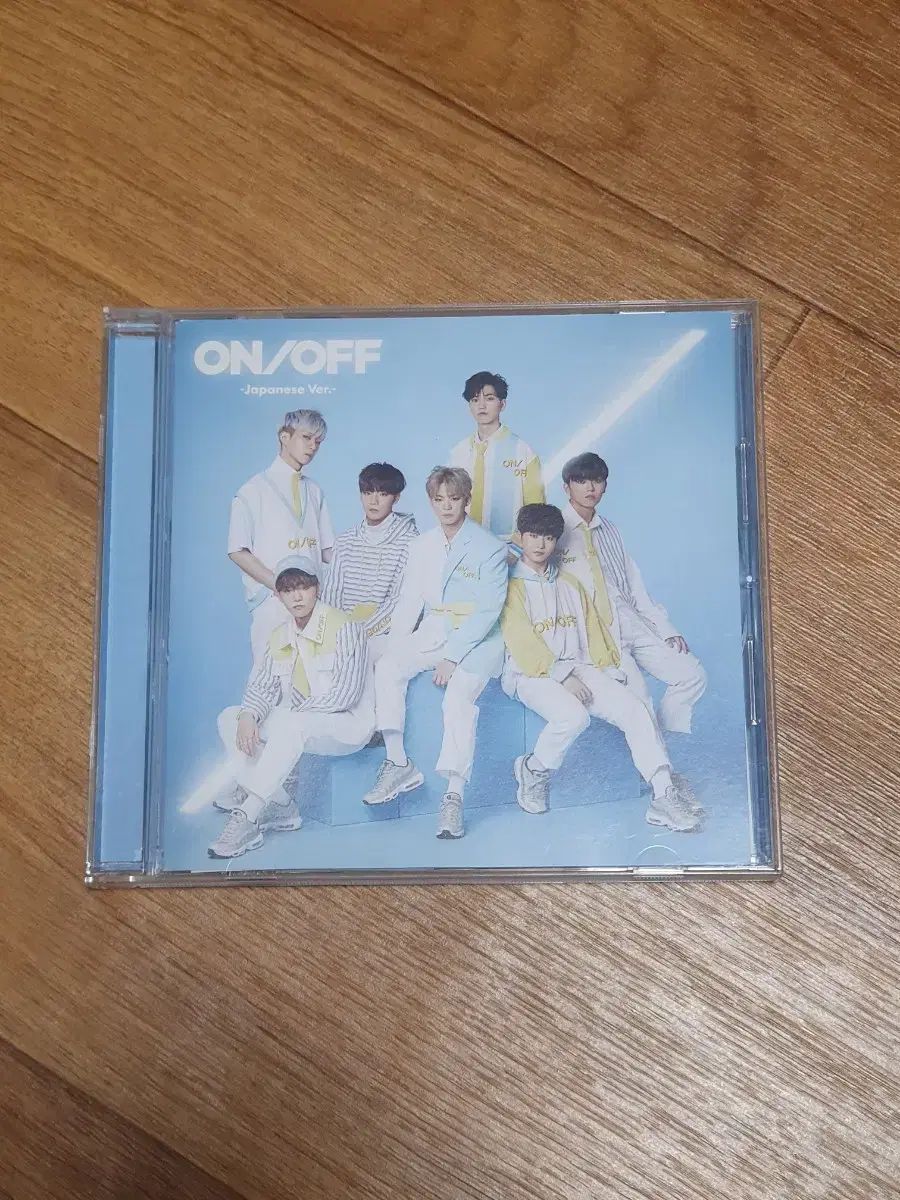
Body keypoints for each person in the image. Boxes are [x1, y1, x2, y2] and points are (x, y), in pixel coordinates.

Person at [500, 504, 698, 831]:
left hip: (578, 667)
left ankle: (663, 795)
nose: (540, 544)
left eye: (548, 537)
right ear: (520, 537)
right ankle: (534, 769)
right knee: (573, 716)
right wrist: (562, 676)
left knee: (635, 709)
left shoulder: (569, 584)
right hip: (530, 674)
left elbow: (593, 631)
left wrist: (608, 669)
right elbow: (522, 643)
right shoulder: (510, 587)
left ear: (556, 541)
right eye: (533, 535)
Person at [362, 466, 509, 839]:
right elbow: (410, 600)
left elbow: (488, 610)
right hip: (434, 630)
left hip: (478, 640)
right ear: (430, 502)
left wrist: (453, 656)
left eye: (454, 498)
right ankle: (398, 762)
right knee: (389, 665)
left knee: (457, 698)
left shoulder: (490, 547)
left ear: (467, 500)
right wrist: (397, 644)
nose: (446, 506)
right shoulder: (421, 545)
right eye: (439, 499)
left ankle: (453, 796)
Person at [209, 557, 373, 859]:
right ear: (278, 595)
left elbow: (345, 695)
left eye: (303, 587)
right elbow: (263, 686)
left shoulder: (346, 627)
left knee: (290, 722)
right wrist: (249, 714)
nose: (296, 596)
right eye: (287, 589)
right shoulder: (279, 636)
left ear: (317, 588)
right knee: (230, 718)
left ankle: (248, 815)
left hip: (348, 725)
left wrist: (291, 715)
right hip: (302, 723)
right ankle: (282, 805)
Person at [556, 452, 707, 738]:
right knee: (641, 704)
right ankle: (656, 755)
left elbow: (634, 584)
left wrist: (665, 629)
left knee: (692, 675)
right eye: (582, 481)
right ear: (567, 487)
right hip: (598, 632)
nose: (590, 488)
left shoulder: (610, 529)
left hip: (630, 619)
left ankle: (665, 740)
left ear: (605, 486)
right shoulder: (555, 530)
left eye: (597, 480)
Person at [228, 409, 335, 664]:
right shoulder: (252, 491)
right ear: (284, 437)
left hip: (313, 603)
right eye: (306, 437)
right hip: (272, 602)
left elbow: (328, 550)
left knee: (314, 675)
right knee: (270, 675)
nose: (312, 447)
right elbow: (237, 550)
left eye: (318, 442)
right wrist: (276, 584)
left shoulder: (314, 491)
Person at [320, 462, 418, 662]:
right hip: (340, 633)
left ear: (396, 497)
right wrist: (337, 633)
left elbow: (399, 600)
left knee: (356, 658)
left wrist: (357, 634)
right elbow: (332, 593)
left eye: (383, 494)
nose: (374, 501)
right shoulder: (345, 541)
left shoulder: (411, 542)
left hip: (384, 636)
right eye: (367, 493)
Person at [449, 371, 544, 543]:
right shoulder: (458, 453)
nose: (481, 405)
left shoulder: (523, 451)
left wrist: (519, 549)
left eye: (489, 398)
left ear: (502, 404)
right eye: (475, 400)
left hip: (509, 547)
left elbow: (537, 510)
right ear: (469, 406)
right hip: (465, 544)